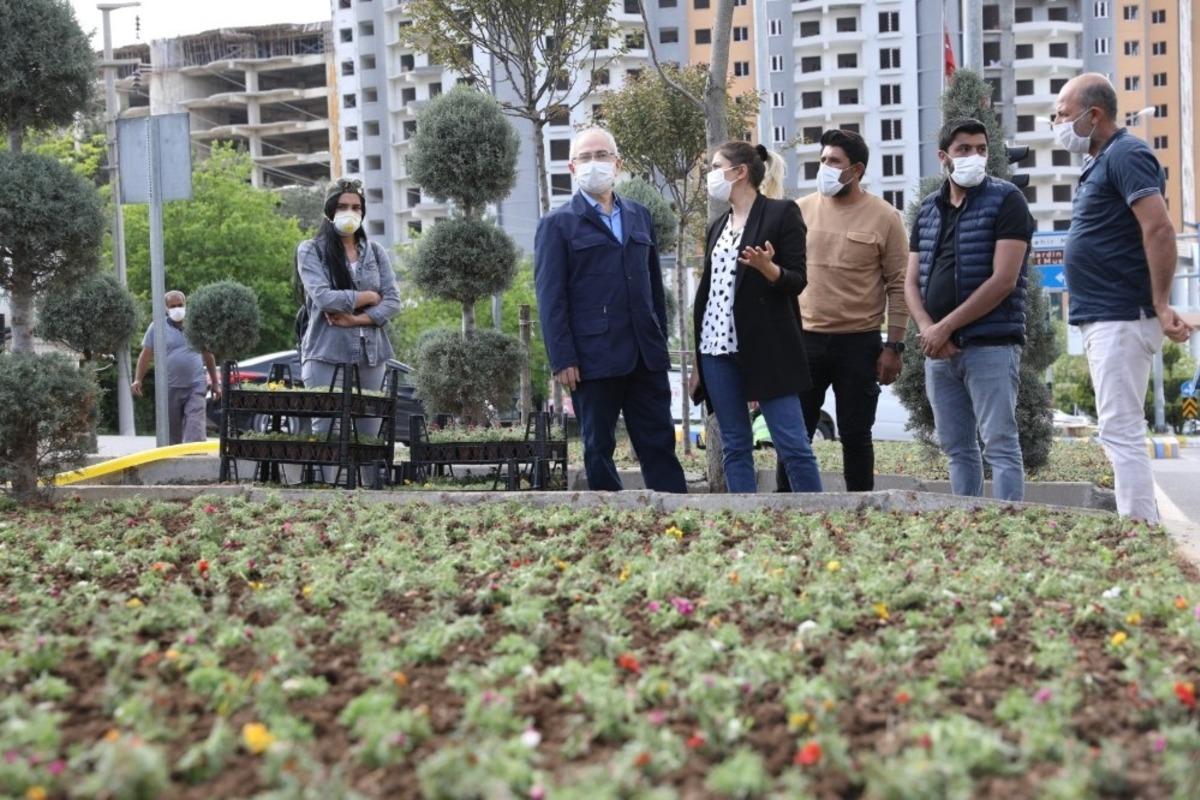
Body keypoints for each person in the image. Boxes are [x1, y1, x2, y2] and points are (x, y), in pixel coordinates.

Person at [1056, 74, 1192, 523]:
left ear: (1093, 114)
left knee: (1120, 431)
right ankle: (1139, 525)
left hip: (1122, 315)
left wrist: (1160, 303)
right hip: (1106, 315)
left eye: (1063, 114)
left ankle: (1139, 531)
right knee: (1118, 429)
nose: (1058, 124)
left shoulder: (1126, 153)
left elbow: (1159, 228)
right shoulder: (1100, 161)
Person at [534, 127, 687, 493]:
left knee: (659, 442)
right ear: (572, 168)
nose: (594, 163)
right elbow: (551, 298)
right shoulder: (557, 225)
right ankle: (610, 515)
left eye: (601, 155)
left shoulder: (639, 215)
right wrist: (562, 358)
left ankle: (676, 512)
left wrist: (659, 341)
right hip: (592, 358)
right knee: (598, 446)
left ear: (617, 163)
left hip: (645, 354)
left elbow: (654, 287)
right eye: (585, 157)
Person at [904, 118, 1035, 501]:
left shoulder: (1008, 200)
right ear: (943, 157)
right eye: (964, 149)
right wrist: (929, 330)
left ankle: (1008, 525)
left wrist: (943, 327)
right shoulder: (928, 209)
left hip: (990, 345)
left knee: (1000, 445)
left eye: (981, 149)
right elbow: (910, 282)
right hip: (939, 352)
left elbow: (1003, 280)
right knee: (957, 449)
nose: (974, 156)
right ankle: (967, 523)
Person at [777, 129, 909, 492]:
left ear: (857, 170)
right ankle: (786, 506)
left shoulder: (886, 217)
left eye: (834, 161)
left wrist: (894, 347)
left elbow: (899, 285)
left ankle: (861, 509)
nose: (825, 167)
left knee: (856, 435)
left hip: (859, 343)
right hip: (803, 341)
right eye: (822, 160)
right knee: (794, 434)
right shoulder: (798, 211)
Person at [690, 142, 822, 493]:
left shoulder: (782, 213)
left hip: (768, 349)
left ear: (740, 172)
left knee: (793, 445)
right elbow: (709, 291)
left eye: (715, 166)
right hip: (715, 349)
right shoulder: (718, 225)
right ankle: (745, 518)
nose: (710, 174)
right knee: (735, 444)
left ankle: (818, 513)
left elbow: (797, 279)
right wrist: (698, 361)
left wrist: (769, 269)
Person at [296, 177, 401, 438]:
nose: (350, 213)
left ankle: (367, 469)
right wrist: (368, 296)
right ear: (329, 210)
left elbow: (392, 301)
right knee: (328, 433)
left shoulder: (375, 251)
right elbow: (324, 298)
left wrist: (356, 320)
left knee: (369, 435)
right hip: (326, 352)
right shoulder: (311, 250)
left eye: (356, 207)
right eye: (342, 207)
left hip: (372, 355)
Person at [132, 290, 220, 444]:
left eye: (180, 305)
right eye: (173, 306)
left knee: (195, 426)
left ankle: (195, 455)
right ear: (166, 308)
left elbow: (208, 355)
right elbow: (145, 355)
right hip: (169, 387)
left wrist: (215, 382)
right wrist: (138, 379)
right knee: (172, 434)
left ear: (185, 305)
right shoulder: (157, 327)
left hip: (195, 385)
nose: (177, 309)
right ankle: (174, 456)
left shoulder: (197, 326)